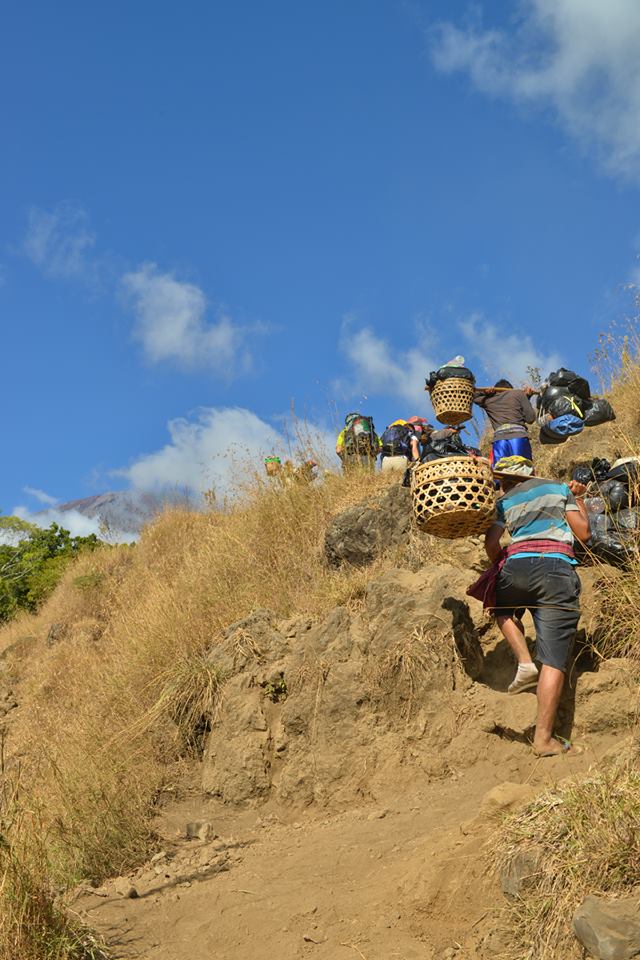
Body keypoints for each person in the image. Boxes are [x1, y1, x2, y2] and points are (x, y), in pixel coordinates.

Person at [484, 455, 590, 758]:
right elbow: (583, 534)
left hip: (515, 566)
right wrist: (580, 499)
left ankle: (525, 662)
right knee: (554, 660)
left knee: (501, 610)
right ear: (533, 473)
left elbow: (491, 544)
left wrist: (504, 563)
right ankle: (543, 740)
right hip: (556, 567)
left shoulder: (504, 501)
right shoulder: (558, 488)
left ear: (505, 481)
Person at [473, 380, 537, 465]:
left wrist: (485, 393)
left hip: (500, 441)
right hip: (518, 438)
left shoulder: (489, 400)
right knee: (522, 468)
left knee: (500, 470)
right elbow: (530, 418)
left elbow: (473, 396)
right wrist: (527, 397)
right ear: (511, 389)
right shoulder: (519, 394)